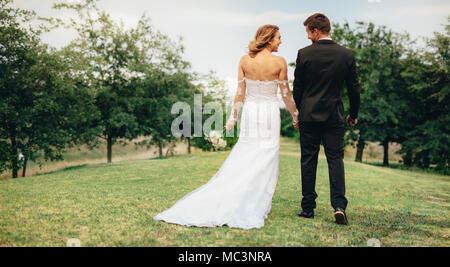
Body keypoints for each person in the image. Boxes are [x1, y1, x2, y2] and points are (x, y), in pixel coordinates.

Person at [153, 25, 299, 230]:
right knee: (265, 157)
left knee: (246, 154)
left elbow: (240, 93)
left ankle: (238, 196)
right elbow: (286, 95)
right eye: (278, 38)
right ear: (268, 40)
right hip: (268, 114)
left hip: (250, 113)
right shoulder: (279, 62)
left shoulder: (244, 60)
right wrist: (295, 115)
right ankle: (252, 203)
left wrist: (233, 118)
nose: (280, 42)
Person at [293, 13, 361, 225]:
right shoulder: (346, 54)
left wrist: (300, 110)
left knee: (308, 159)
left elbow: (298, 89)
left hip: (309, 116)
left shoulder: (304, 54)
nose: (307, 37)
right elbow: (354, 89)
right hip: (334, 115)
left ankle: (308, 208)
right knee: (335, 160)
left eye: (308, 32)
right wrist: (353, 114)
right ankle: (339, 206)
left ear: (315, 30)